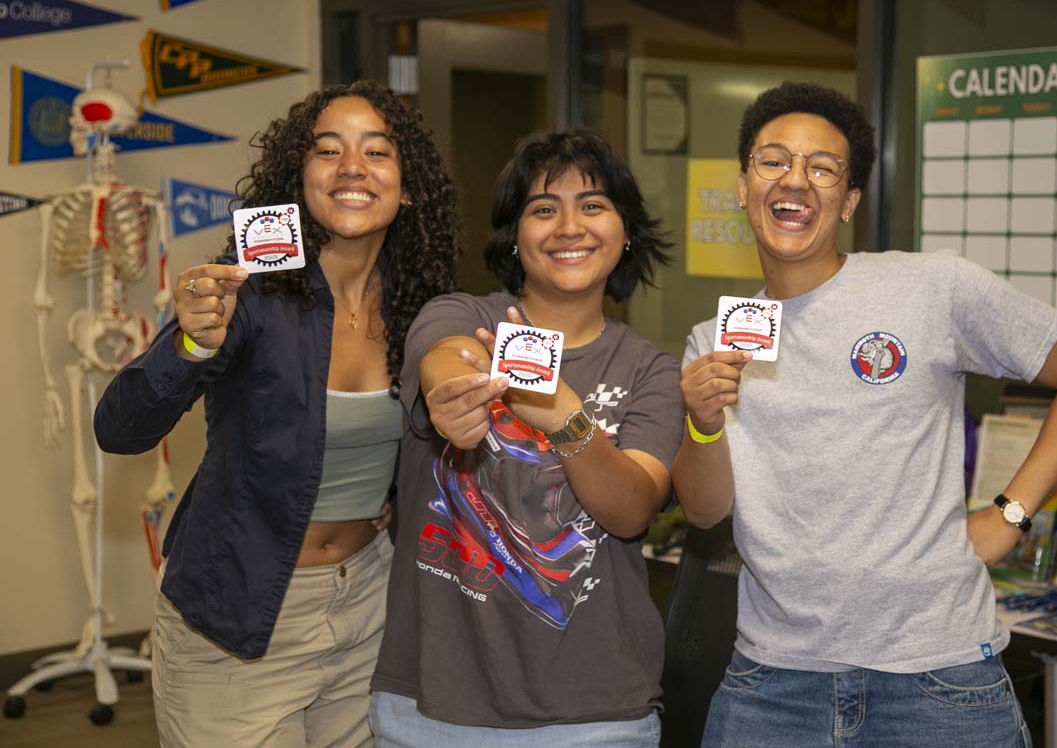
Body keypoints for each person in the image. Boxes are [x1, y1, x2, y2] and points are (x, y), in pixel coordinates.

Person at [671, 82, 1057, 747]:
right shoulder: (714, 342)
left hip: (938, 677)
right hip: (775, 681)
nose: (795, 180)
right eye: (773, 161)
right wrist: (703, 421)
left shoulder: (930, 287)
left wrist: (1010, 515)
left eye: (822, 168)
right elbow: (705, 511)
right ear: (743, 187)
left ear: (849, 200)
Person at [93, 79, 458, 747]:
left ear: (407, 188)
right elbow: (119, 430)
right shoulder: (249, 291)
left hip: (369, 603)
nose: (352, 167)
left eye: (377, 151)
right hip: (240, 614)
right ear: (299, 176)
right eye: (328, 150)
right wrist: (189, 343)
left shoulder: (425, 307)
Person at [369, 128, 682, 746]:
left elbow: (631, 509)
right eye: (543, 209)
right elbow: (446, 358)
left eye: (593, 205)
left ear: (626, 233)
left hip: (597, 719)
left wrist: (566, 420)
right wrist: (455, 399)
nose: (569, 227)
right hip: (431, 710)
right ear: (514, 236)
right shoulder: (462, 314)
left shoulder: (652, 371)